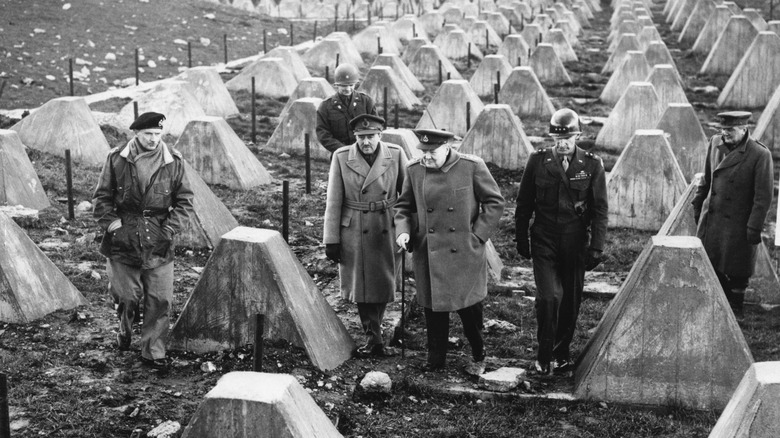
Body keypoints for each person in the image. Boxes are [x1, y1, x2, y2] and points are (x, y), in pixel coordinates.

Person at [394, 129, 505, 375]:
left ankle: (478, 351)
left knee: (469, 308)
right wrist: (403, 231)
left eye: (432, 152)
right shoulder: (414, 170)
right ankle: (436, 360)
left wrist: (477, 235)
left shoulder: (471, 167)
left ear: (446, 147)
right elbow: (403, 206)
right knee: (433, 310)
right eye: (423, 152)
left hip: (464, 252)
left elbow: (495, 202)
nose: (427, 158)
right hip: (429, 252)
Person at [93, 112, 194, 369]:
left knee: (160, 300)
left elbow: (185, 203)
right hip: (124, 238)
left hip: (158, 238)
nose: (153, 139)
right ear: (136, 133)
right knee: (127, 296)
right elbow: (102, 198)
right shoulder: (117, 159)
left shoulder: (173, 161)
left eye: (158, 134)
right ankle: (125, 325)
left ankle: (153, 351)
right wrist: (115, 227)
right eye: (148, 134)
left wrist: (169, 230)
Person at [515, 108, 608, 375]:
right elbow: (524, 203)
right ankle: (544, 356)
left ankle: (561, 353)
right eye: (557, 139)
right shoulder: (538, 160)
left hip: (575, 242)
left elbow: (600, 209)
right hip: (544, 239)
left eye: (567, 138)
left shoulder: (592, 164)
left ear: (578, 135)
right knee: (548, 298)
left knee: (570, 301)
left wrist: (596, 247)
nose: (562, 144)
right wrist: (522, 238)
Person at [323, 114, 408, 357]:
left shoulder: (397, 153)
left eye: (370, 136)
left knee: (382, 281)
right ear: (355, 137)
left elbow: (408, 195)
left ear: (380, 135)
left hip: (386, 225)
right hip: (355, 229)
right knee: (361, 286)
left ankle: (375, 333)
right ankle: (374, 338)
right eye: (361, 137)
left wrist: (408, 228)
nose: (366, 142)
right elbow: (333, 201)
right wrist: (331, 239)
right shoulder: (341, 157)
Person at [692, 111, 774, 314]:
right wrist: (698, 203)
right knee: (709, 260)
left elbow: (763, 197)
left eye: (730, 129)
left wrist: (754, 226)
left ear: (744, 129)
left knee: (738, 268)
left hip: (739, 221)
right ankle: (719, 301)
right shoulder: (715, 143)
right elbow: (707, 179)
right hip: (712, 216)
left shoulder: (759, 154)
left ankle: (736, 308)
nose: (724, 133)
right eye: (722, 129)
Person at [316, 63, 378, 154]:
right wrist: (344, 150)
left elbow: (376, 128)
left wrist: (364, 146)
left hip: (365, 152)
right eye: (344, 86)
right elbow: (323, 134)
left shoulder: (366, 102)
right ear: (336, 85)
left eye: (351, 85)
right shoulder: (326, 107)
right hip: (340, 154)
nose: (348, 89)